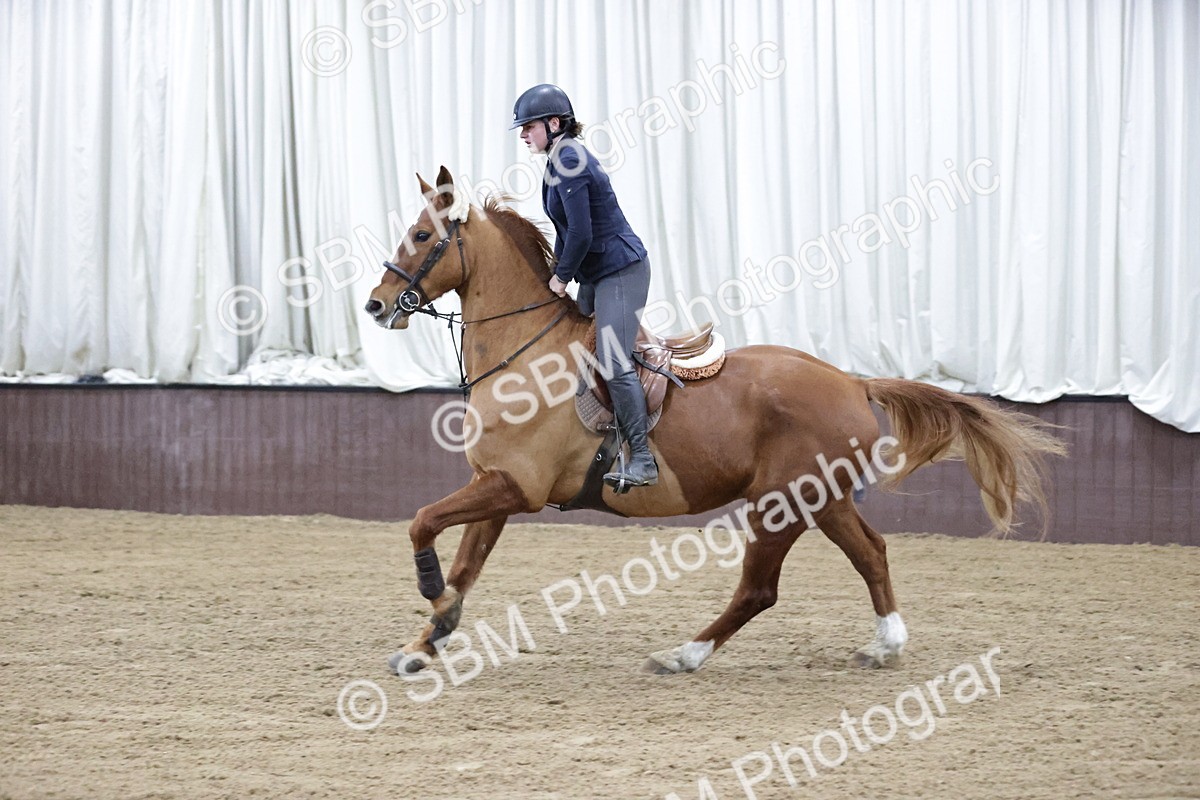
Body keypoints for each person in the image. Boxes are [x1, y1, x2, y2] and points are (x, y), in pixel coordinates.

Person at [511, 83, 658, 489]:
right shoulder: (559, 157)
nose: (524, 134)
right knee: (570, 345)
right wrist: (553, 273)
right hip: (597, 274)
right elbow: (565, 231)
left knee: (611, 358)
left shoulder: (570, 157)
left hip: (621, 271)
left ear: (553, 123)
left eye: (529, 127)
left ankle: (643, 459)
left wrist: (560, 277)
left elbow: (581, 233)